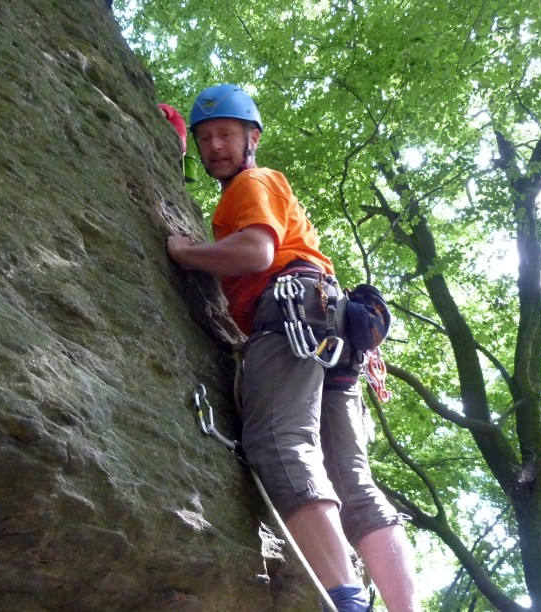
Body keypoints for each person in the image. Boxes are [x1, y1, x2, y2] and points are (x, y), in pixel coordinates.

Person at [167, 84, 420, 612]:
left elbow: (258, 252)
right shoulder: (264, 187)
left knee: (281, 445)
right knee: (350, 476)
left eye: (227, 135)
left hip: (291, 315)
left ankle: (347, 602)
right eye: (206, 137)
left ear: (251, 139)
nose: (215, 146)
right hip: (333, 327)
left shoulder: (251, 183)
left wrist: (188, 252)